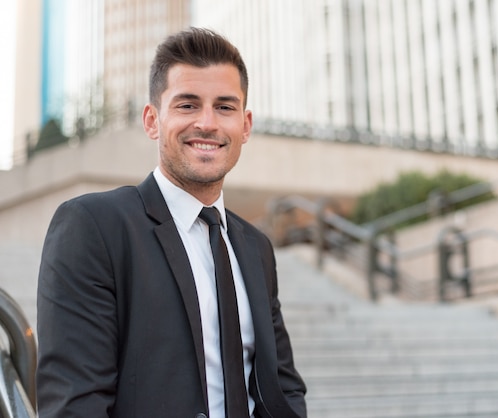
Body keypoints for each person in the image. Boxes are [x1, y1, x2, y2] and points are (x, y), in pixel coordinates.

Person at [36, 27, 307, 418]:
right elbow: (75, 404)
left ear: (245, 126)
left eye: (225, 107)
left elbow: (282, 387)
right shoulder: (93, 227)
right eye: (187, 105)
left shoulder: (256, 247)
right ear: (152, 120)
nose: (208, 123)